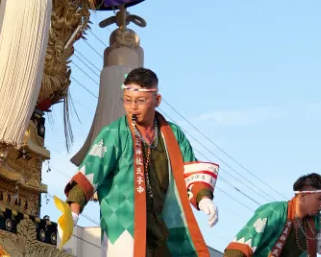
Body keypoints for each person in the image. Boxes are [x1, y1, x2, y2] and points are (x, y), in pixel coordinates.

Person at [57, 67, 220, 256]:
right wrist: (72, 212)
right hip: (125, 229)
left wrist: (204, 198)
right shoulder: (113, 134)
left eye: (140, 101)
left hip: (165, 227)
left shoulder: (174, 135)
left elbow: (191, 171)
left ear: (157, 100)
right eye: (127, 101)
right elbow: (90, 173)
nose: (133, 107)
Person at [223, 173, 321, 257]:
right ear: (303, 196)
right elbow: (239, 248)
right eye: (320, 199)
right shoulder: (272, 212)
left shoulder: (317, 224)